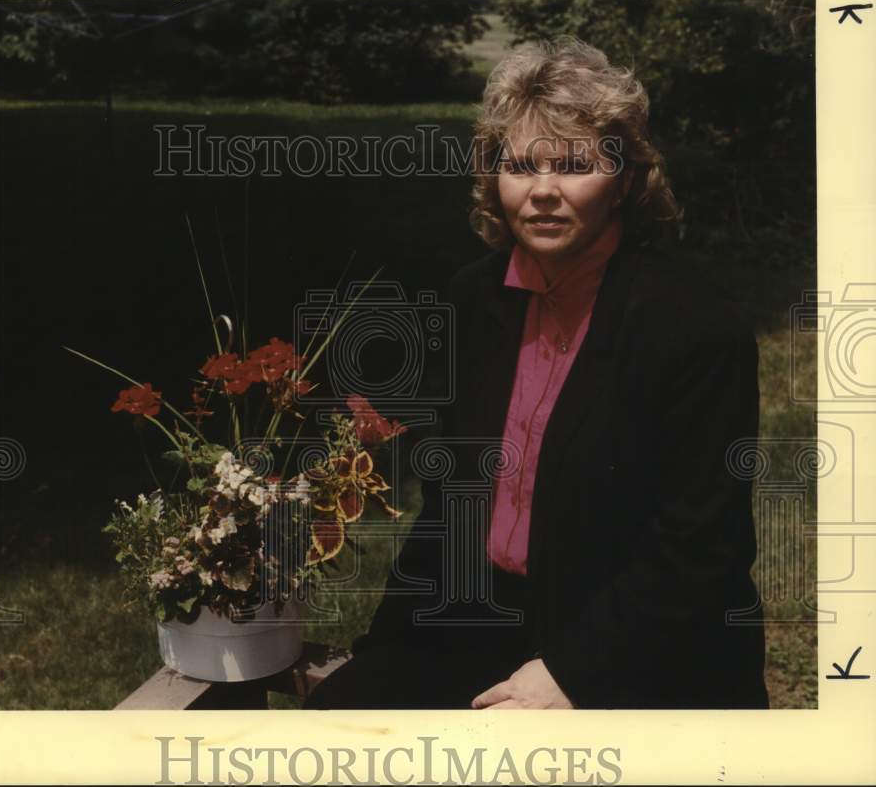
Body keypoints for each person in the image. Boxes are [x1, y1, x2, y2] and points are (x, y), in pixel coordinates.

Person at [304, 36, 769, 710]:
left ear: (626, 180)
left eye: (575, 165)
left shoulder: (694, 327)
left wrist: (571, 674)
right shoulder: (472, 296)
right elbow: (450, 508)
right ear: (493, 177)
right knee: (337, 721)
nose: (544, 192)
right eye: (520, 165)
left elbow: (702, 551)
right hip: (486, 622)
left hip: (643, 645)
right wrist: (386, 647)